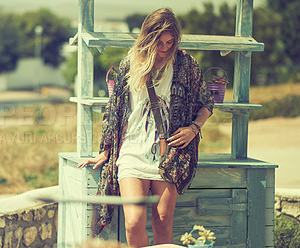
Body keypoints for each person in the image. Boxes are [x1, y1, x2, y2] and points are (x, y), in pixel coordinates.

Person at [78, 8, 214, 247]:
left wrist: (193, 128)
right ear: (147, 38)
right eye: (158, 42)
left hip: (169, 153)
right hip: (131, 150)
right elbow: (114, 108)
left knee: (162, 220)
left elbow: (206, 103)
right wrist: (106, 149)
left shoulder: (185, 64)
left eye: (170, 42)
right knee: (133, 221)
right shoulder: (129, 64)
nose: (164, 48)